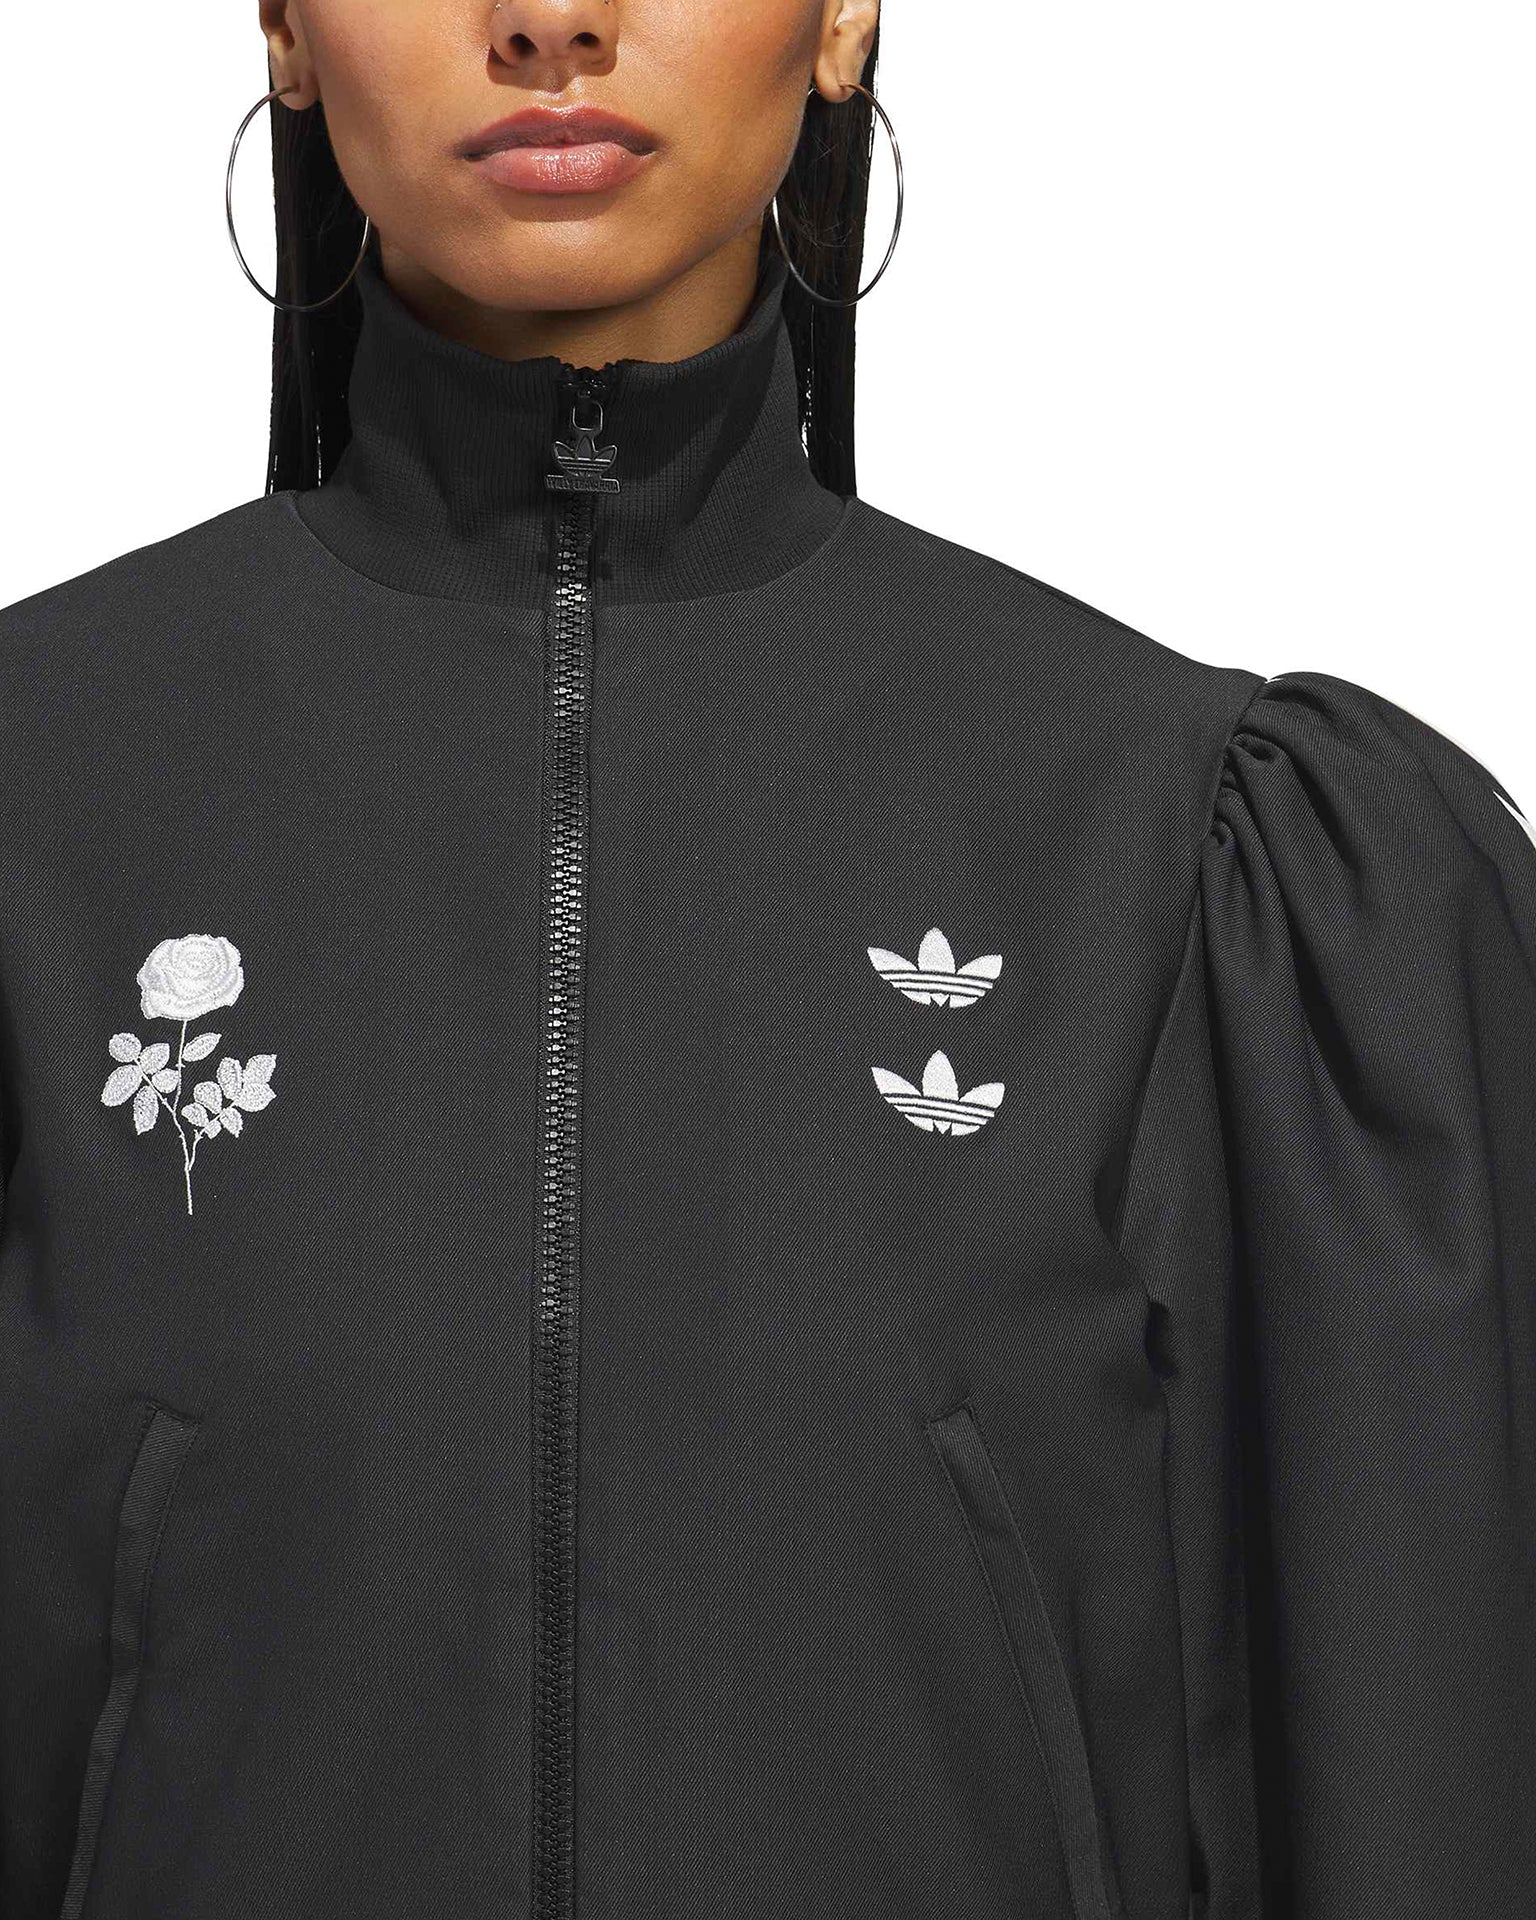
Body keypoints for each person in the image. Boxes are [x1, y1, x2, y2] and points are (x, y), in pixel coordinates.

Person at [0, 3, 1530, 1917]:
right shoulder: (37, 797)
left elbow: (1422, 1794)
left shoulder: (1201, 859)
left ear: (843, 17)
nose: (550, 18)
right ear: (287, 28)